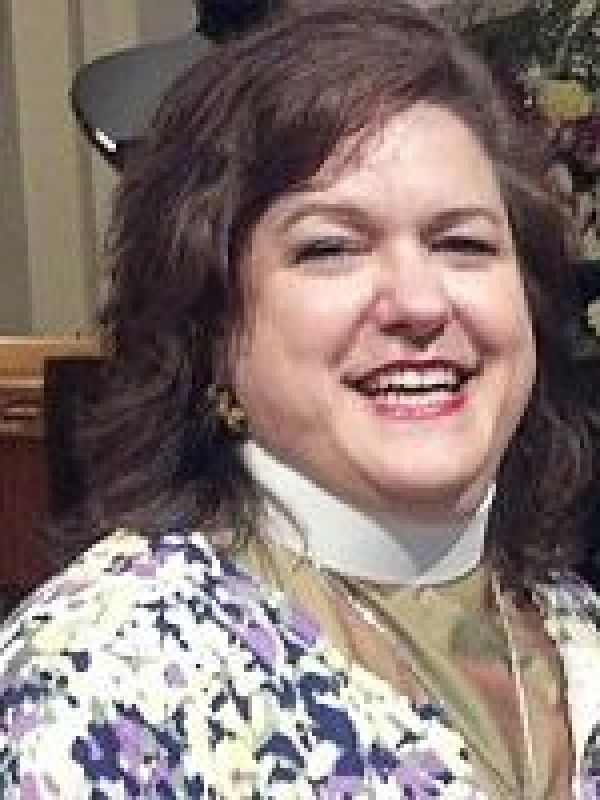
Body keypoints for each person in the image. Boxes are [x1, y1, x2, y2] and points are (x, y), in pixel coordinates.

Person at [1, 1, 599, 797]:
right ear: (210, 322)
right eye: (331, 249)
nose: (419, 303)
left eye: (463, 243)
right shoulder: (100, 692)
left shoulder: (574, 629)